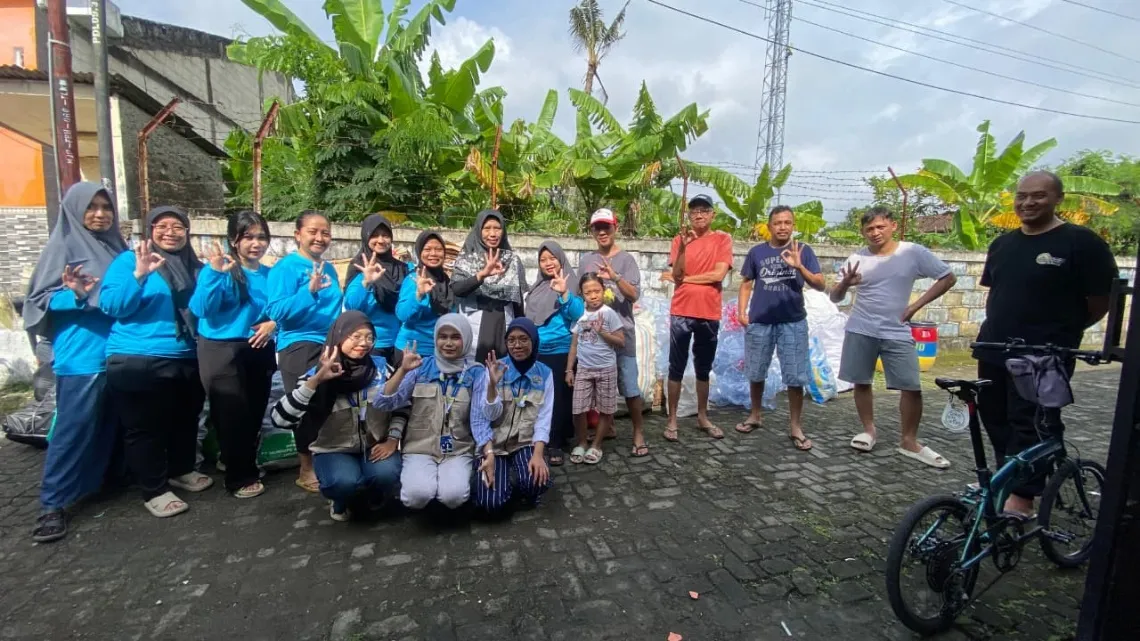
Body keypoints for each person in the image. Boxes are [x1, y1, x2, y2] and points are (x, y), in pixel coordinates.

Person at [974, 171, 1117, 517]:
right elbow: (997, 292)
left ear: (1058, 199)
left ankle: (1024, 497)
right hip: (994, 348)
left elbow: (1100, 301)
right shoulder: (1003, 244)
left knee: (1032, 420)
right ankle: (1008, 477)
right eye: (1022, 196)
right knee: (995, 417)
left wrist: (1061, 332)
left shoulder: (1081, 243)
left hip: (1044, 355)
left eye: (1038, 196)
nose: (1027, 203)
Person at [23, 182, 128, 542]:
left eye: (105, 207)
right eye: (91, 207)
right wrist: (77, 296)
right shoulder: (64, 246)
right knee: (73, 430)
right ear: (74, 209)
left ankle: (100, 482)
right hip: (82, 356)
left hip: (120, 351)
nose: (100, 214)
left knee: (110, 425)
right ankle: (52, 505)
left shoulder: (117, 247)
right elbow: (39, 300)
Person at [100, 206, 208, 518]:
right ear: (150, 230)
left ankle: (181, 469)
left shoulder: (195, 267)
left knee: (185, 419)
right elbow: (111, 305)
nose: (171, 232)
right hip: (137, 357)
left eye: (178, 226)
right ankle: (153, 489)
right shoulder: (128, 261)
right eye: (162, 226)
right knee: (145, 428)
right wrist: (139, 275)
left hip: (186, 354)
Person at [830, 206, 957, 468]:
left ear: (892, 226)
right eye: (869, 229)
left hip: (897, 330)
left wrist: (915, 306)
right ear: (863, 232)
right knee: (861, 381)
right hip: (861, 328)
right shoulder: (857, 258)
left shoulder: (912, 252)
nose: (875, 233)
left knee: (911, 386)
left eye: (880, 227)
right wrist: (846, 283)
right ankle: (868, 430)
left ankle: (909, 441)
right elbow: (835, 297)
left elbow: (947, 277)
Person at [269, 311, 403, 521]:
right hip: (332, 449)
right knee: (343, 482)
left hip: (373, 445)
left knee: (386, 473)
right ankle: (339, 501)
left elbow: (400, 406)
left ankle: (375, 495)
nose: (363, 343)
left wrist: (393, 439)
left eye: (369, 337)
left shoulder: (380, 369)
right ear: (339, 336)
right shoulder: (317, 373)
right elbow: (280, 419)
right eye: (355, 336)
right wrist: (317, 381)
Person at [189, 211, 277, 498]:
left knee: (253, 413)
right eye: (248, 237)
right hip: (221, 348)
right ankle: (240, 478)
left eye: (261, 237)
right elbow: (202, 309)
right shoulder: (218, 269)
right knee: (231, 414)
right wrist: (214, 274)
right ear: (233, 240)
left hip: (258, 348)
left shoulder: (269, 275)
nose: (256, 243)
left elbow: (279, 309)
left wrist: (273, 324)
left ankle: (234, 460)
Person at [374, 314, 493, 510]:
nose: (448, 343)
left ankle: (453, 486)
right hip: (419, 448)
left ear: (466, 339)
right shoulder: (420, 367)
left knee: (454, 496)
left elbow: (479, 420)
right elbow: (383, 403)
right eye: (442, 336)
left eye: (455, 337)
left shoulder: (476, 373)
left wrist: (487, 451)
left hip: (458, 450)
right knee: (416, 496)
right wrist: (402, 371)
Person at [735, 206, 825, 450]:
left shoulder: (803, 251)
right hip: (761, 321)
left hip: (793, 322)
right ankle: (755, 414)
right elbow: (746, 283)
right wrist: (742, 312)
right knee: (756, 371)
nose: (783, 227)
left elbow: (820, 284)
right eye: (778, 223)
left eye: (787, 222)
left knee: (795, 376)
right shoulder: (757, 252)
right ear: (770, 225)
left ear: (793, 225)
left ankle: (795, 426)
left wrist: (799, 267)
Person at [265, 210, 342, 494]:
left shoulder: (330, 269)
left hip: (328, 344)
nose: (319, 238)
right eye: (313, 231)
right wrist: (307, 292)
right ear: (298, 234)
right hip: (298, 344)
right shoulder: (286, 268)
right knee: (305, 404)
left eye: (325, 232)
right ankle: (305, 468)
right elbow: (276, 311)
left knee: (326, 405)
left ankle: (326, 460)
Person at [662, 194, 734, 442]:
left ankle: (703, 416)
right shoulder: (679, 240)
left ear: (713, 214)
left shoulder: (722, 239)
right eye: (694, 211)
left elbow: (718, 274)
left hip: (708, 312)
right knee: (676, 367)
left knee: (704, 368)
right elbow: (677, 271)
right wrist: (683, 246)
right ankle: (672, 420)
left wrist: (685, 280)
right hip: (681, 310)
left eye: (704, 210)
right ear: (689, 216)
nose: (699, 215)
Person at [578, 209, 648, 457]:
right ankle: (608, 429)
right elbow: (580, 296)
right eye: (597, 227)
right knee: (598, 388)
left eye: (606, 226)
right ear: (592, 231)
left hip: (621, 336)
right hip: (593, 339)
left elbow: (634, 295)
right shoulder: (586, 260)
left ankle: (638, 432)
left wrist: (615, 277)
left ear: (615, 228)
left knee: (629, 387)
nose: (602, 231)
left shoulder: (627, 260)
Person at [475, 318, 553, 513]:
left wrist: (538, 454)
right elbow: (487, 416)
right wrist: (492, 385)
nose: (517, 345)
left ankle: (519, 482)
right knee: (491, 504)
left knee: (536, 482)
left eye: (523, 339)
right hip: (494, 445)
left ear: (533, 341)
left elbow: (544, 418)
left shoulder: (545, 374)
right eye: (511, 340)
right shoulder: (495, 368)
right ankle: (504, 483)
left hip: (524, 443)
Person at [525, 240, 583, 466]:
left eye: (552, 258)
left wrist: (565, 293)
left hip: (560, 350)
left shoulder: (570, 282)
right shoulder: (537, 287)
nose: (548, 263)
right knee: (539, 397)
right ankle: (540, 438)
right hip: (537, 351)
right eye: (543, 259)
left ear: (561, 259)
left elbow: (578, 314)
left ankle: (556, 441)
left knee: (559, 399)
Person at [452, 210, 527, 361]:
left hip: (503, 324)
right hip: (474, 323)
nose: (492, 234)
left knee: (502, 371)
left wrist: (522, 329)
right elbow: (457, 289)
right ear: (478, 230)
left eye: (497, 228)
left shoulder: (512, 260)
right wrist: (481, 275)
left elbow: (519, 301)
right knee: (474, 372)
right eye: (487, 228)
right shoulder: (467, 258)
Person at [567, 272, 626, 465]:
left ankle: (597, 445)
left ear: (603, 291)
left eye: (597, 291)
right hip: (584, 369)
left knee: (606, 409)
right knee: (578, 408)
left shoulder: (609, 314)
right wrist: (569, 369)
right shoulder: (580, 315)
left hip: (606, 368)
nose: (593, 295)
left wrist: (603, 332)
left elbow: (621, 342)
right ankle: (582, 442)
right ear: (582, 295)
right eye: (588, 292)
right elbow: (574, 345)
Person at [344, 214, 412, 366]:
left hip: (400, 345)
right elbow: (351, 306)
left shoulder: (404, 268)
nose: (381, 240)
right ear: (365, 237)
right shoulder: (360, 267)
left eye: (385, 235)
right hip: (369, 345)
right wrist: (366, 282)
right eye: (374, 235)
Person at [396, 230, 453, 356]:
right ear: (419, 252)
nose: (433, 254)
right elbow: (402, 315)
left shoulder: (446, 281)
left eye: (438, 249)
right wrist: (419, 295)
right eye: (427, 249)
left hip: (440, 351)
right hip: (412, 350)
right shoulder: (413, 279)